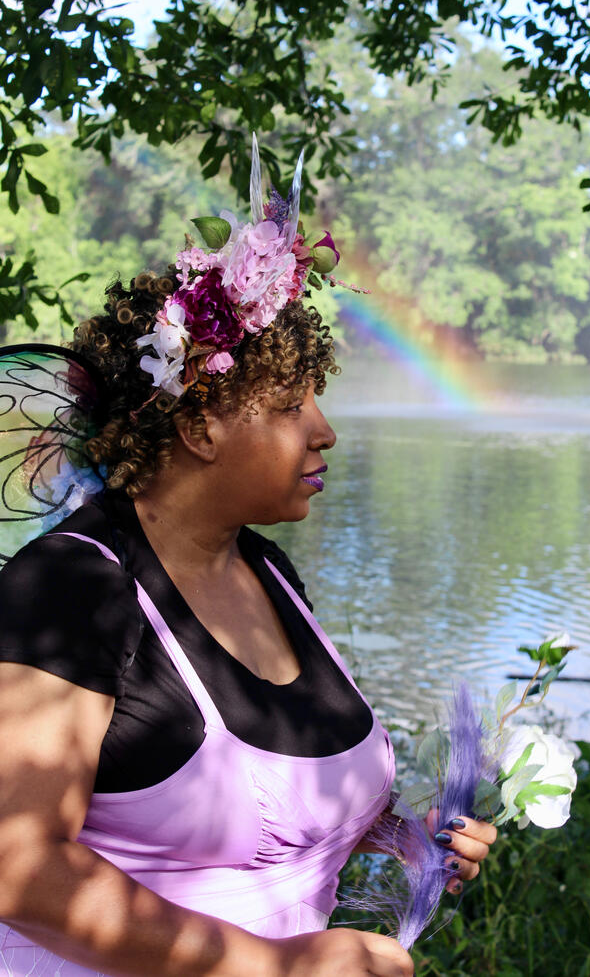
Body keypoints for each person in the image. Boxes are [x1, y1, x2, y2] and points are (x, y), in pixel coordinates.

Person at [0, 142, 496, 976]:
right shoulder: (70, 588)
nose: (324, 429)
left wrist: (408, 834)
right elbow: (18, 866)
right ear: (199, 427)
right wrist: (274, 964)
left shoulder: (267, 572)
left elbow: (275, 802)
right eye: (290, 404)